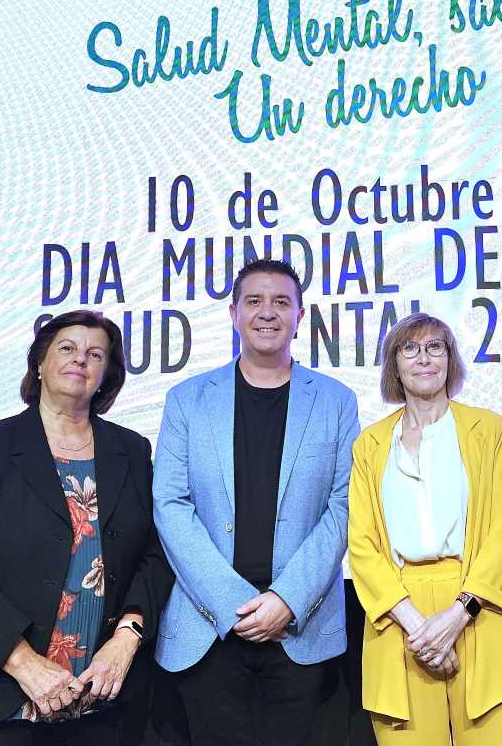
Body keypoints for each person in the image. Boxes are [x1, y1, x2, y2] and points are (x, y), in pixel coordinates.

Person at [0, 310, 174, 745]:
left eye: (95, 354)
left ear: (107, 375)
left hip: (99, 707)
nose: (80, 359)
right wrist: (23, 663)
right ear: (39, 363)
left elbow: (155, 557)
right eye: (67, 348)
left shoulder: (132, 451)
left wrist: (126, 638)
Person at [152, 258, 359, 746]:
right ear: (234, 314)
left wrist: (286, 600)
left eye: (282, 301)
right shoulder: (187, 399)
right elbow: (170, 504)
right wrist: (234, 606)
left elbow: (344, 505)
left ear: (300, 316)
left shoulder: (336, 401)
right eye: (254, 301)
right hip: (208, 627)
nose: (268, 312)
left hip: (299, 628)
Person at [349, 313, 502, 746]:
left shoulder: (486, 429)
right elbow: (362, 547)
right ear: (394, 364)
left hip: (481, 611)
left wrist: (457, 616)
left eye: (435, 347)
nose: (424, 358)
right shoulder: (370, 445)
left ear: (450, 359)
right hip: (401, 622)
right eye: (410, 348)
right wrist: (421, 631)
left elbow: (501, 532)